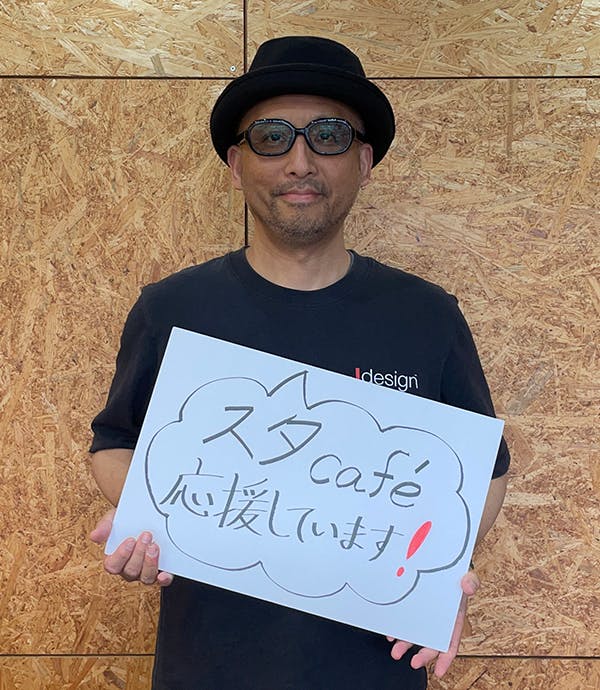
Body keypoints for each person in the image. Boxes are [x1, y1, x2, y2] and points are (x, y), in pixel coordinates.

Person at [89, 35, 509, 690]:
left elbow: (487, 469)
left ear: (364, 162)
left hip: (375, 673)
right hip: (206, 670)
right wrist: (155, 513)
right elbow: (114, 443)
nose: (300, 161)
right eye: (272, 138)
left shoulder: (427, 316)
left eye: (329, 136)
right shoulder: (172, 308)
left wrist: (438, 572)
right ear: (237, 165)